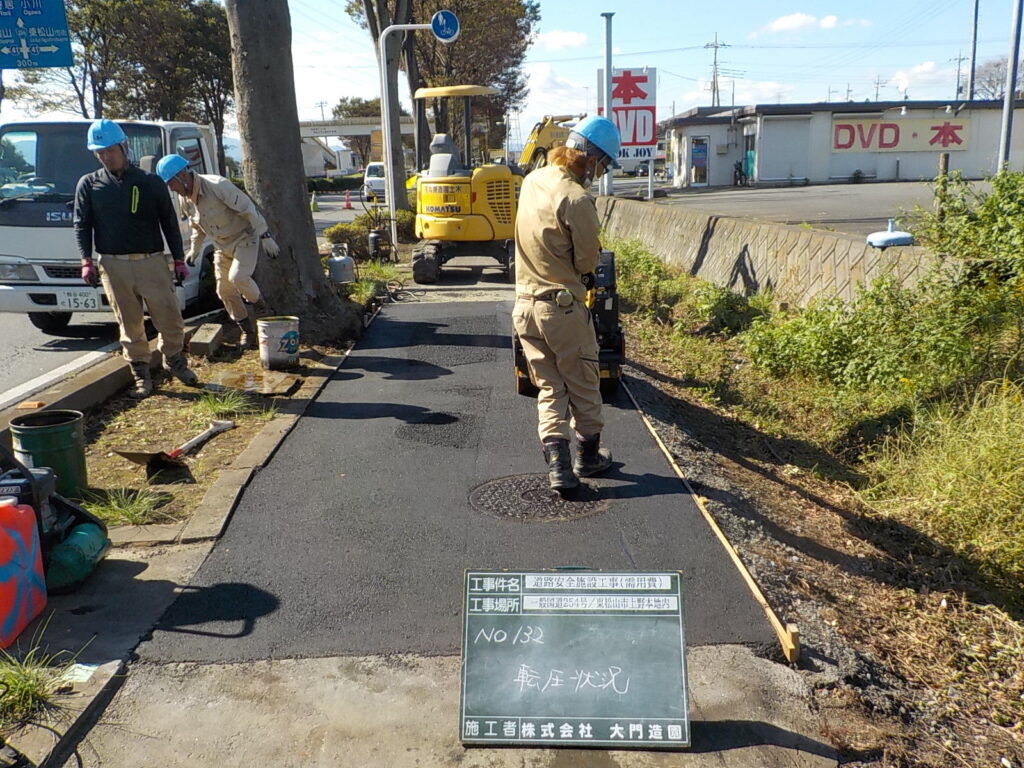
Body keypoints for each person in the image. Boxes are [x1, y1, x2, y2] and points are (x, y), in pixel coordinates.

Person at [512, 114, 621, 492]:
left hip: (524, 308)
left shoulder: (532, 181)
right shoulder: (577, 198)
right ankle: (587, 458)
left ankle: (558, 468)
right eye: (603, 164)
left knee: (549, 387)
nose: (601, 172)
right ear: (590, 157)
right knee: (583, 384)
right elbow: (587, 260)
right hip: (562, 308)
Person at [75, 119, 198, 398]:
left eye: (110, 150)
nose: (106, 156)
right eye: (100, 152)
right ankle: (141, 375)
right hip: (113, 264)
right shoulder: (89, 185)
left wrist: (178, 260)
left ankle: (175, 361)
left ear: (124, 146)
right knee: (129, 323)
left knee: (170, 318)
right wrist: (86, 261)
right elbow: (81, 224)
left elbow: (169, 221)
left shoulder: (150, 182)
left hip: (151, 261)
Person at [155, 154, 279, 349]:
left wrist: (266, 235)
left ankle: (263, 311)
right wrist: (194, 251)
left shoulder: (217, 185)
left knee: (238, 277)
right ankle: (247, 331)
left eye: (171, 182)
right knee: (224, 291)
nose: (171, 188)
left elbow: (248, 209)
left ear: (182, 175)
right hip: (221, 246)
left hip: (244, 238)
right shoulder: (184, 199)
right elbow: (198, 227)